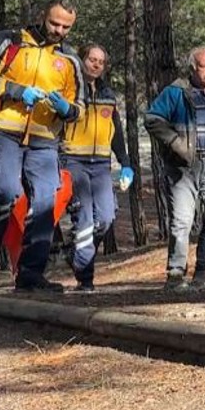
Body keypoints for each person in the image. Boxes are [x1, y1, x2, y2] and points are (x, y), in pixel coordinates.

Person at [0, 0, 84, 292]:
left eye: (65, 27)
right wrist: (15, 91)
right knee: (5, 192)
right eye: (54, 24)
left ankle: (30, 274)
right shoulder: (10, 42)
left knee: (46, 200)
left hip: (44, 140)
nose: (58, 30)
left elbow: (79, 109)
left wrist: (66, 108)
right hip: (4, 131)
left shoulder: (71, 61)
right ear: (42, 16)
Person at [144, 47, 205, 291]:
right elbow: (152, 118)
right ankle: (175, 274)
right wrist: (175, 143)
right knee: (182, 220)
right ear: (192, 68)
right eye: (203, 66)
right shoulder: (176, 92)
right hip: (184, 166)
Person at [59, 44, 133, 292]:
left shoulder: (108, 96)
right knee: (85, 219)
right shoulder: (70, 89)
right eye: (92, 59)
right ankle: (85, 278)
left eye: (101, 62)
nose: (96, 65)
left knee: (106, 216)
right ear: (82, 60)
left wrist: (125, 163)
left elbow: (117, 133)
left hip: (101, 163)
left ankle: (75, 254)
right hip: (74, 160)